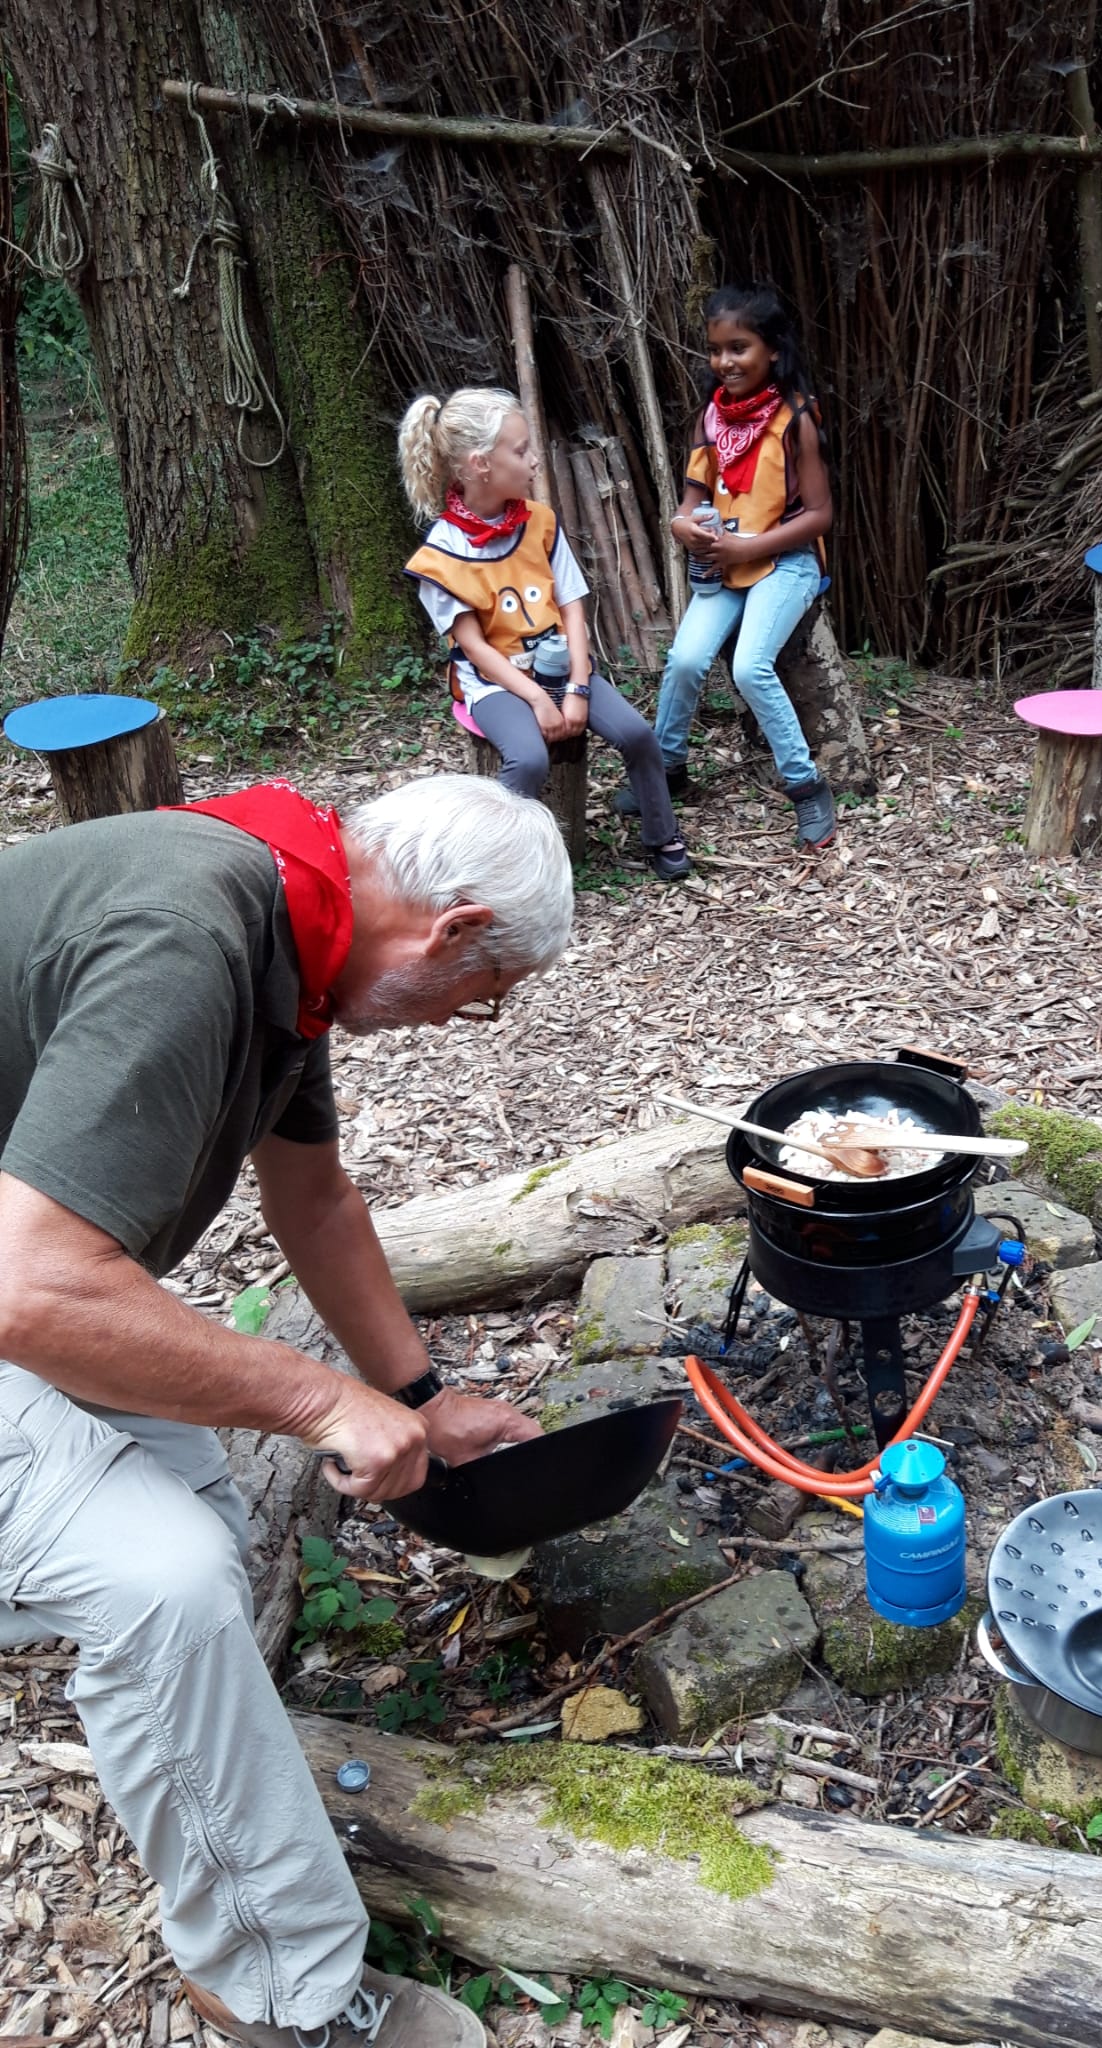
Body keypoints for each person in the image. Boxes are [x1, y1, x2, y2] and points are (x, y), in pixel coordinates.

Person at [0, 773, 572, 2048]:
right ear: (457, 930)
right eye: (491, 993)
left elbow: (314, 1199)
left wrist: (421, 1396)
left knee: (195, 1511)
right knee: (165, 1577)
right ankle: (276, 1989)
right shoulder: (190, 935)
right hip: (12, 1280)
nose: (471, 1022)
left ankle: (208, 1784)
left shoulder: (287, 913)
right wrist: (319, 1395)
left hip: (12, 1269)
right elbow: (32, 1288)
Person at [400, 387, 691, 879]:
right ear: (480, 464)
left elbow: (573, 610)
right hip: (496, 685)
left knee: (639, 735)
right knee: (529, 760)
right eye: (520, 451)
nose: (535, 461)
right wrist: (537, 700)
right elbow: (471, 647)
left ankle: (662, 834)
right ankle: (496, 868)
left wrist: (577, 687)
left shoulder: (541, 523)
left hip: (561, 667)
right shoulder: (442, 554)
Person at [617, 281, 836, 848]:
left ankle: (806, 786)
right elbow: (692, 499)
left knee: (748, 667)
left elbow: (818, 515)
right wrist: (681, 524)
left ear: (773, 352)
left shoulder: (795, 420)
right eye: (716, 350)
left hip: (786, 562)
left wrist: (749, 548)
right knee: (686, 659)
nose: (725, 361)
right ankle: (668, 771)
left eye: (739, 347)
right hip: (723, 566)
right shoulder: (710, 419)